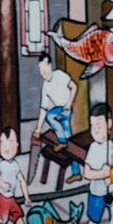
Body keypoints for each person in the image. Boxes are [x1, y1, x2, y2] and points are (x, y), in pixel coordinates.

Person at [33, 52, 82, 183]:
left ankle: (62, 141)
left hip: (65, 109)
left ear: (49, 65)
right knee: (70, 145)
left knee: (51, 116)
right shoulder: (45, 86)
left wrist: (69, 104)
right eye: (40, 69)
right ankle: (76, 173)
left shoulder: (60, 75)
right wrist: (38, 129)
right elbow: (43, 109)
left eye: (44, 67)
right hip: (58, 110)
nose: (42, 72)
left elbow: (74, 86)